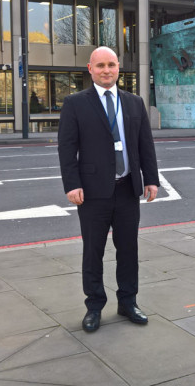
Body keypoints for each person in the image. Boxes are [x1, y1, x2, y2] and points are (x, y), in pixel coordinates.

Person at [58, 46, 159, 333]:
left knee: (128, 249)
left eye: (111, 65)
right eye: (100, 65)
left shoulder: (134, 102)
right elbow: (67, 149)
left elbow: (145, 144)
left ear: (118, 68)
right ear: (90, 69)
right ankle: (94, 306)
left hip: (127, 189)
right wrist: (72, 184)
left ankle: (128, 302)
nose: (106, 70)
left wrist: (151, 179)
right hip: (91, 193)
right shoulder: (75, 103)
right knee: (93, 251)